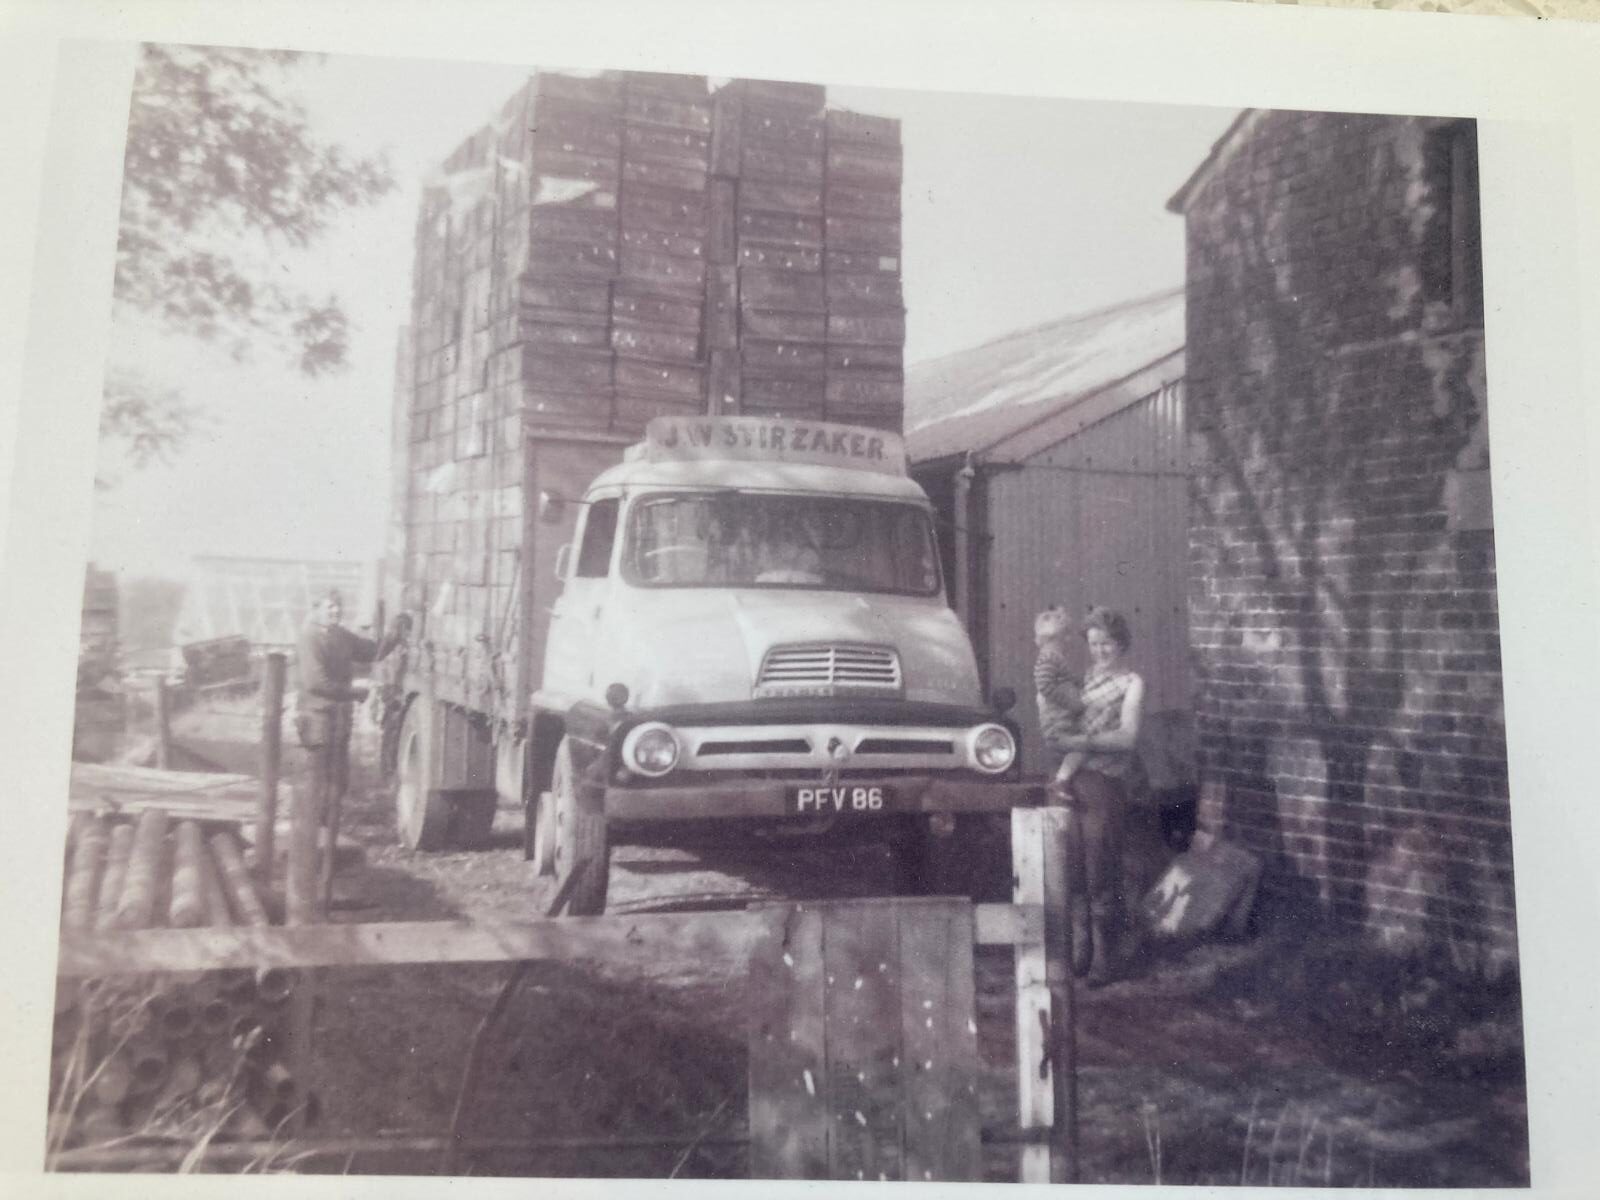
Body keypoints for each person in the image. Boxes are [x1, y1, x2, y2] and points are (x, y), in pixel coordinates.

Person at [1046, 606, 1146, 985]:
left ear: (1121, 644)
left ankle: (1106, 957)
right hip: (1073, 780)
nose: (1100, 651)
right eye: (1093, 643)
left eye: (1107, 643)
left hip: (1105, 785)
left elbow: (1127, 737)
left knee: (1100, 868)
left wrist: (1081, 742)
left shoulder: (1133, 682)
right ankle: (1078, 951)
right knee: (1071, 868)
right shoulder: (1086, 679)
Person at [295, 590, 411, 844]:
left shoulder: (340, 636)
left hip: (338, 718)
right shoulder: (309, 638)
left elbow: (372, 651)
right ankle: (312, 840)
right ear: (315, 609)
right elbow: (316, 683)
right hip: (317, 717)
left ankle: (328, 838)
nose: (335, 611)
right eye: (329, 607)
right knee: (319, 781)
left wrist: (393, 633)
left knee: (338, 781)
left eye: (338, 606)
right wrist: (353, 692)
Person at [1033, 605, 1086, 787]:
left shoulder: (1055, 657)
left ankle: (1061, 781)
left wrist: (1079, 682)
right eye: (1065, 636)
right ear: (1052, 638)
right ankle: (1061, 782)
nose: (1069, 640)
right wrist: (1071, 704)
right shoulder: (1049, 657)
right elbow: (1046, 686)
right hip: (1058, 722)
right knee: (1080, 749)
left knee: (1070, 751)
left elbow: (1067, 677)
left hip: (1063, 720)